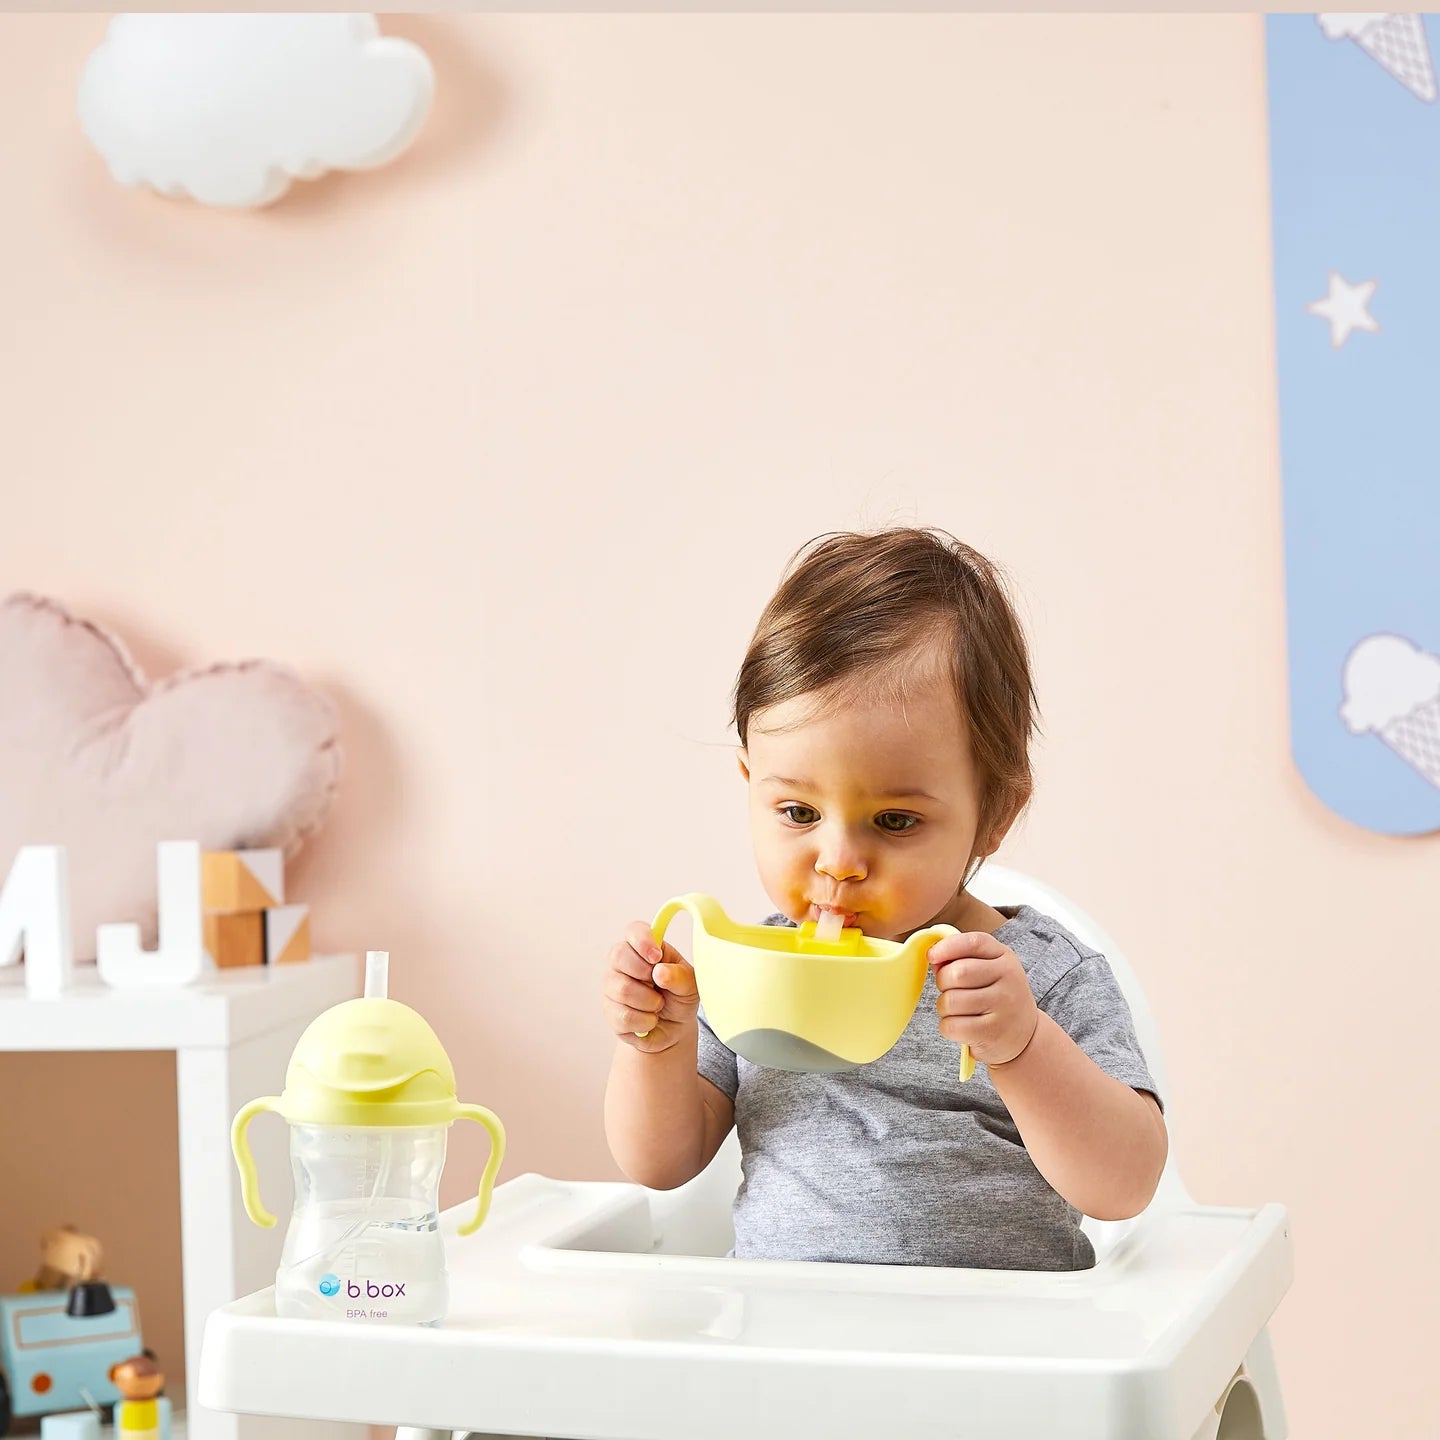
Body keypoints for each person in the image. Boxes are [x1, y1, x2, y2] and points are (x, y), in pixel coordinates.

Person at [601, 526, 1167, 1270]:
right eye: (798, 814)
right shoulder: (747, 971)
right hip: (790, 1348)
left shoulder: (1040, 978)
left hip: (1003, 1360)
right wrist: (657, 1046)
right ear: (750, 785)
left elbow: (1125, 1186)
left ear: (994, 815)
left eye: (894, 821)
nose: (837, 864)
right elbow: (660, 1164)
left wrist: (1023, 1047)